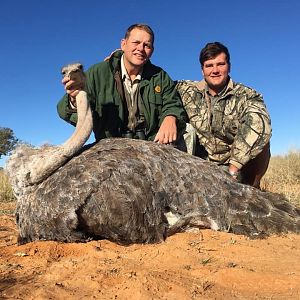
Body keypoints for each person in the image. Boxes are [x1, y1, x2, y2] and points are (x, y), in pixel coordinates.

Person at [57, 24, 186, 146]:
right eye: (135, 42)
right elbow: (64, 110)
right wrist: (75, 98)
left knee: (188, 132)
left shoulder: (160, 76)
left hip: (152, 145)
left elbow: (173, 103)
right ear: (123, 44)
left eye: (147, 45)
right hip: (111, 147)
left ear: (152, 50)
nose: (140, 48)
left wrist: (171, 117)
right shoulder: (98, 72)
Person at [176, 42, 272, 188]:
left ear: (229, 67)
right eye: (209, 65)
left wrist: (232, 170)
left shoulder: (247, 95)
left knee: (262, 139)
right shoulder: (186, 90)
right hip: (202, 165)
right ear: (202, 71)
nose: (215, 70)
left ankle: (252, 189)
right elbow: (161, 87)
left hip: (237, 166)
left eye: (220, 64)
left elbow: (259, 123)